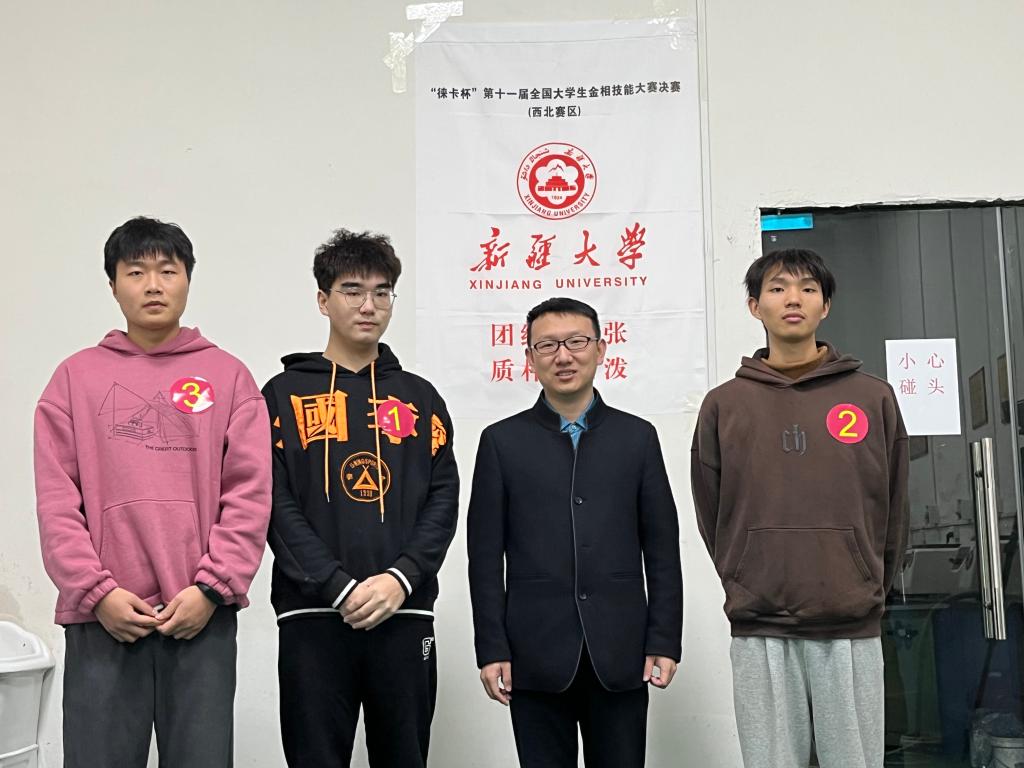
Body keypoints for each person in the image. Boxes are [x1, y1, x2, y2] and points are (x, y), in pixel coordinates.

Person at [34, 216, 272, 767]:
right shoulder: (73, 379)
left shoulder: (228, 376)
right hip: (102, 618)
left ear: (188, 279)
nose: (153, 285)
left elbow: (249, 493)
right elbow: (56, 502)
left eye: (168, 270)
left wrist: (211, 589)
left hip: (201, 615)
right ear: (113, 284)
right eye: (136, 272)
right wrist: (97, 592)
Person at [690, 248, 909, 768]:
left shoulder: (872, 397)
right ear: (754, 306)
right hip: (760, 621)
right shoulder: (724, 404)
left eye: (808, 288)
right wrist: (745, 575)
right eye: (778, 288)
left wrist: (868, 583)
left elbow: (894, 505)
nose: (794, 299)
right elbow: (711, 510)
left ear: (825, 306)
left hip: (849, 620)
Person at [262, 228, 459, 767]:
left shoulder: (419, 398)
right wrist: (337, 586)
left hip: (406, 612)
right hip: (311, 615)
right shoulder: (281, 396)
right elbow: (273, 502)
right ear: (322, 300)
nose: (368, 305)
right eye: (352, 290)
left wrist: (401, 578)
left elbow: (443, 498)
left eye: (381, 292)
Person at [467, 296, 682, 768]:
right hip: (533, 653)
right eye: (547, 345)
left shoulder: (638, 437)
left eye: (577, 342)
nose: (563, 356)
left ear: (601, 349)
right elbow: (483, 558)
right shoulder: (501, 442)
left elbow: (662, 549)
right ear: (529, 358)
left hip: (622, 650)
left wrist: (664, 639)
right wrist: (491, 647)